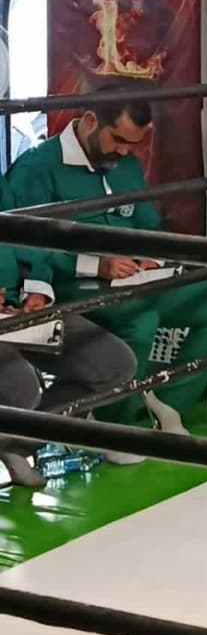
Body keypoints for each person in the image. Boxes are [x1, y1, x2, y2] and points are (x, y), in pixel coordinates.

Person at [4, 88, 207, 434]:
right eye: (118, 139)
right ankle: (117, 423)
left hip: (132, 278)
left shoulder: (125, 165)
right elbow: (26, 247)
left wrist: (150, 256)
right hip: (70, 283)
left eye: (133, 143)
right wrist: (96, 265)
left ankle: (165, 404)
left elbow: (149, 226)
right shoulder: (35, 169)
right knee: (139, 319)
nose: (125, 151)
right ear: (90, 121)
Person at [0, 176, 137, 486]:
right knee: (20, 388)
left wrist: (37, 290)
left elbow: (25, 235)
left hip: (17, 307)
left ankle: (16, 443)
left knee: (115, 365)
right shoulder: (37, 168)